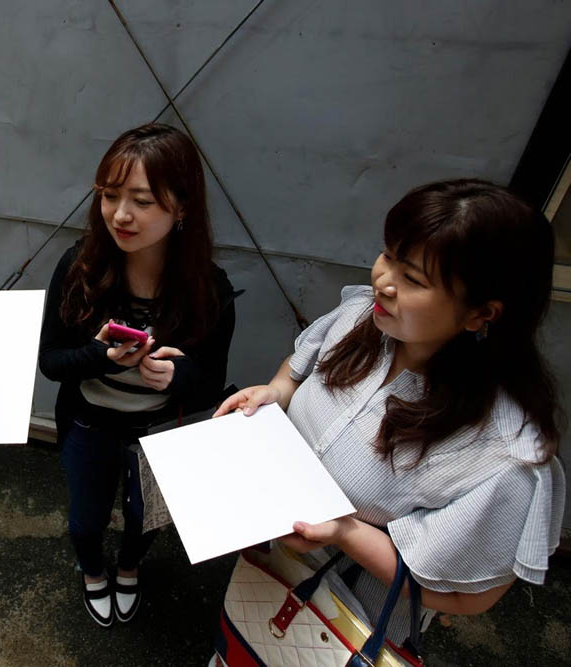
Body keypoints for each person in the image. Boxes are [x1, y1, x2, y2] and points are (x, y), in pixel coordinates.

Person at [213, 179, 566, 648]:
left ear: (482, 314)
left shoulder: (503, 455)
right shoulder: (363, 316)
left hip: (344, 622)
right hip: (266, 564)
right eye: (388, 255)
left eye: (413, 278)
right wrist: (275, 393)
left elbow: (467, 597)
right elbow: (298, 370)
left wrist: (345, 533)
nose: (383, 280)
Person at [39, 123, 237, 626]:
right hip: (89, 422)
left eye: (142, 201)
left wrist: (175, 376)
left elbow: (211, 381)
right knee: (85, 520)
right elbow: (51, 362)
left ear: (182, 207)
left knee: (143, 518)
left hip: (158, 432)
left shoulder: (208, 288)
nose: (120, 215)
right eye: (110, 196)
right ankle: (92, 572)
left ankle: (129, 567)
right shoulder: (79, 267)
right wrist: (98, 357)